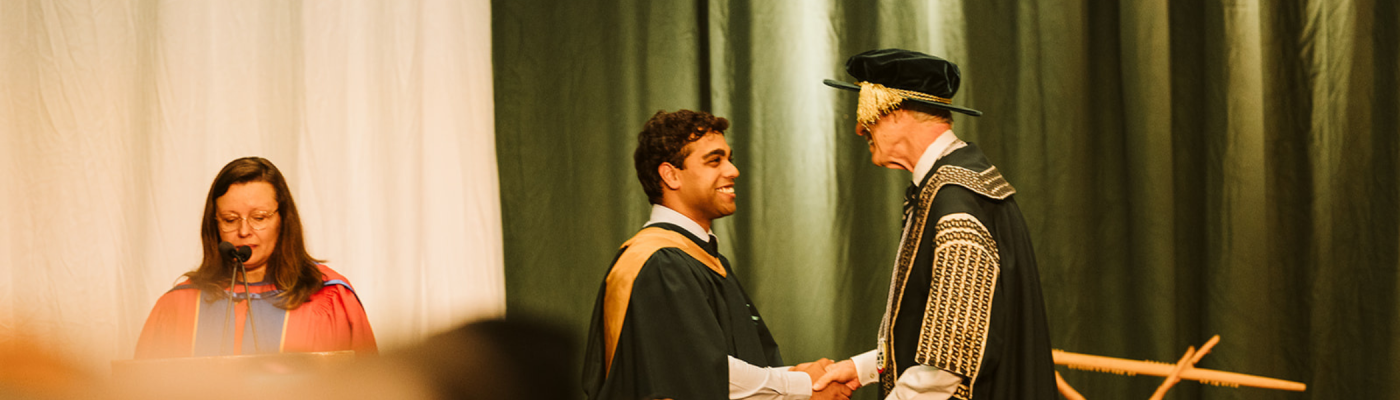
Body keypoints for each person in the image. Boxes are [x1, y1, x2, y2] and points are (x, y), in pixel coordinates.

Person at [813, 49, 1057, 399]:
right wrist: (862, 367)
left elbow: (945, 367)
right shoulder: (957, 185)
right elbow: (944, 335)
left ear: (895, 112)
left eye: (866, 114)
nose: (859, 128)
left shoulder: (956, 201)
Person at [581, 110, 851, 400]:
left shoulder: (700, 257)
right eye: (714, 160)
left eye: (729, 158)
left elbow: (728, 366)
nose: (732, 171)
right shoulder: (659, 262)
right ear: (670, 175)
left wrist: (796, 376)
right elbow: (697, 375)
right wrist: (802, 386)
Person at [135, 157, 376, 358]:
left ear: (282, 220)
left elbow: (368, 388)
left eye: (259, 217)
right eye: (230, 219)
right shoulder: (180, 305)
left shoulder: (328, 298)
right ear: (214, 224)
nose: (243, 231)